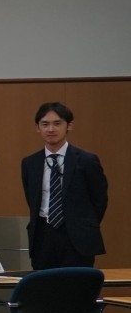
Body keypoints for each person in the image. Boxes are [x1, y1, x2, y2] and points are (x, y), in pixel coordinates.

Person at [21, 102, 109, 269]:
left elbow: (99, 200)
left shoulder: (87, 160)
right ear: (37, 128)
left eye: (57, 123)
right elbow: (31, 199)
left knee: (76, 283)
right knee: (45, 283)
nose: (51, 129)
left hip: (77, 237)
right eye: (45, 124)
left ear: (69, 125)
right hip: (43, 235)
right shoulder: (30, 163)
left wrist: (83, 224)